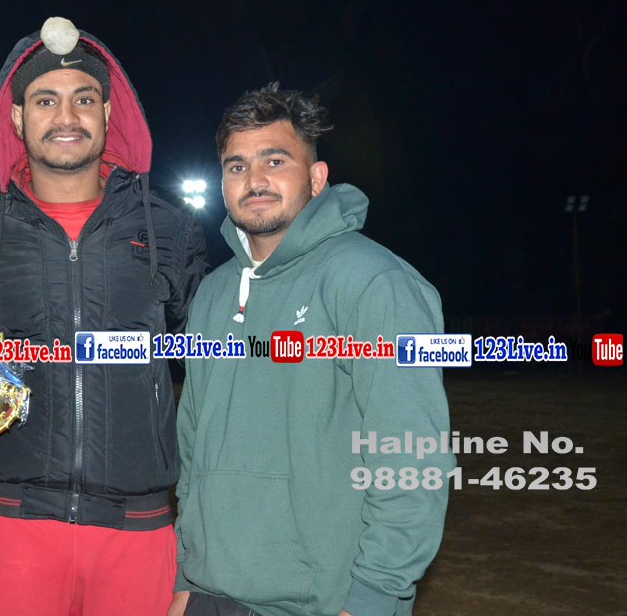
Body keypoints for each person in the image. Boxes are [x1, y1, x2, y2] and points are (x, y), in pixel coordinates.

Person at [0, 16, 207, 615]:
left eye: (84, 99)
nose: (66, 116)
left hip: (137, 527)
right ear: (17, 118)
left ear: (107, 113)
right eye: (45, 100)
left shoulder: (169, 227)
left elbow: (214, 369)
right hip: (8, 521)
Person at [171, 83, 453, 616]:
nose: (255, 180)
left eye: (275, 161)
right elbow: (193, 444)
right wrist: (186, 571)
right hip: (209, 594)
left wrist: (373, 597)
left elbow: (413, 455)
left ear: (317, 178)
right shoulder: (212, 293)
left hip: (324, 603)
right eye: (237, 166)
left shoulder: (374, 282)